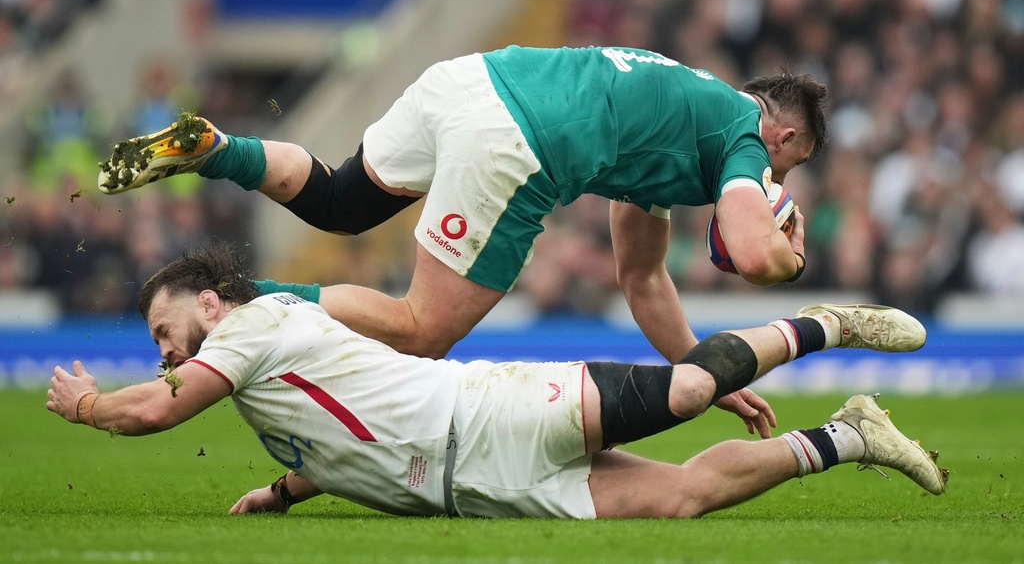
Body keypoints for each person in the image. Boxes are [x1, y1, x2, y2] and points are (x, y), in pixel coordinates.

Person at [46, 243, 946, 520]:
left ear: (209, 304)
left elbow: (160, 409)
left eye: (167, 331)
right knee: (679, 501)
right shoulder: (256, 370)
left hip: (488, 416)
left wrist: (86, 405)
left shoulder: (250, 325)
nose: (167, 353)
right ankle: (851, 434)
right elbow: (351, 439)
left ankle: (828, 323)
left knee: (680, 392)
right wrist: (285, 491)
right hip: (479, 484)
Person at [96, 46, 827, 371]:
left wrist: (704, 370)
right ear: (784, 132)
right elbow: (757, 253)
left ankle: (214, 146)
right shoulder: (743, 134)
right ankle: (246, 300)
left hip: (469, 79)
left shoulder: (686, 117)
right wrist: (789, 254)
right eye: (789, 163)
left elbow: (642, 277)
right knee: (420, 330)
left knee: (338, 201)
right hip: (516, 140)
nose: (776, 174)